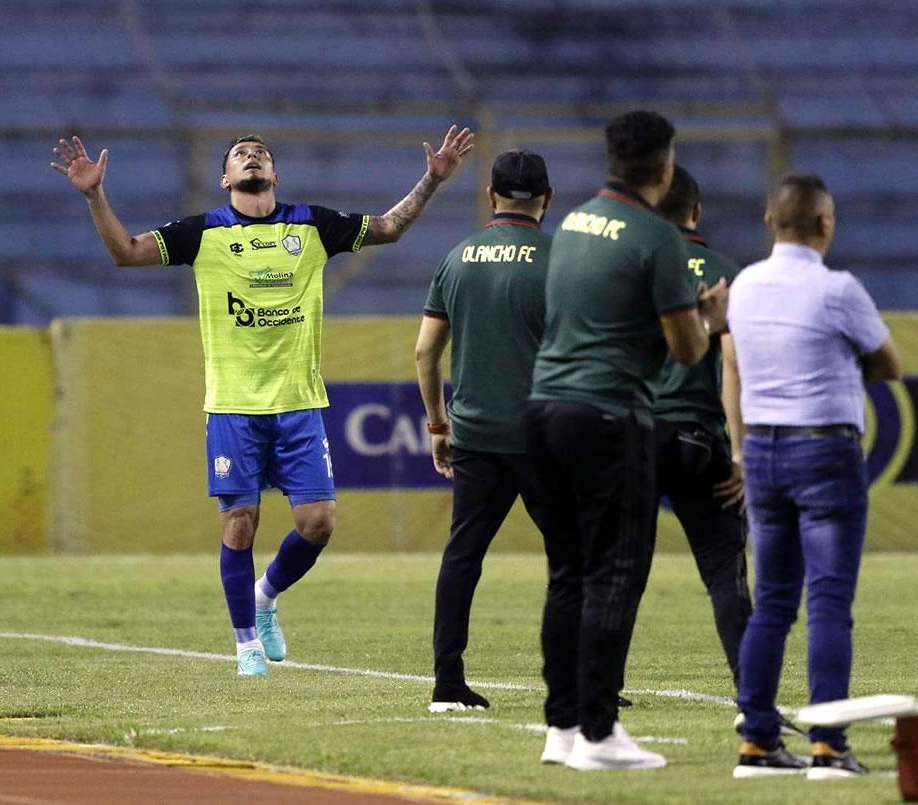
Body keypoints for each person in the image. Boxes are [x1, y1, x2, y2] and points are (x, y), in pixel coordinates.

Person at [51, 126, 475, 677]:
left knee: (319, 522)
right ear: (225, 178)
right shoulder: (202, 232)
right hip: (232, 406)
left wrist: (432, 179)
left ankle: (265, 596)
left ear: (274, 175)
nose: (251, 158)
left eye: (261, 154)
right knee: (239, 524)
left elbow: (390, 228)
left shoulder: (311, 224)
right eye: (239, 155)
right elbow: (126, 253)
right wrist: (94, 194)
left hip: (299, 403)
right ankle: (247, 644)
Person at [526, 110, 728, 771]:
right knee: (617, 571)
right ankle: (599, 731)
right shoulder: (656, 237)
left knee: (568, 573)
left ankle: (560, 728)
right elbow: (685, 346)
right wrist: (710, 316)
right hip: (610, 414)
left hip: (545, 410)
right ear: (665, 167)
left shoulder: (574, 224)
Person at [727, 174, 901, 779]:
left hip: (764, 453)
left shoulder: (744, 285)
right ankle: (828, 744)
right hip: (824, 450)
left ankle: (757, 742)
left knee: (771, 603)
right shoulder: (838, 289)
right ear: (825, 224)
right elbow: (889, 363)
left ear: (769, 221)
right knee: (828, 601)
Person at [414, 149, 555, 713]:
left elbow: (425, 353)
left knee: (463, 555)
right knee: (576, 557)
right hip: (546, 436)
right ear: (547, 198)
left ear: (491, 196)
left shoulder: (458, 258)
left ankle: (447, 684)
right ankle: (586, 681)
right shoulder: (563, 258)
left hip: (474, 436)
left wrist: (437, 426)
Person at [650, 164, 754, 691]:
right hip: (698, 435)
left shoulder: (636, 265)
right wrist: (740, 456)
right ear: (697, 211)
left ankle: (603, 693)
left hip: (638, 436)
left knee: (620, 570)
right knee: (723, 569)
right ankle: (749, 690)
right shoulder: (725, 271)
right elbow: (732, 363)